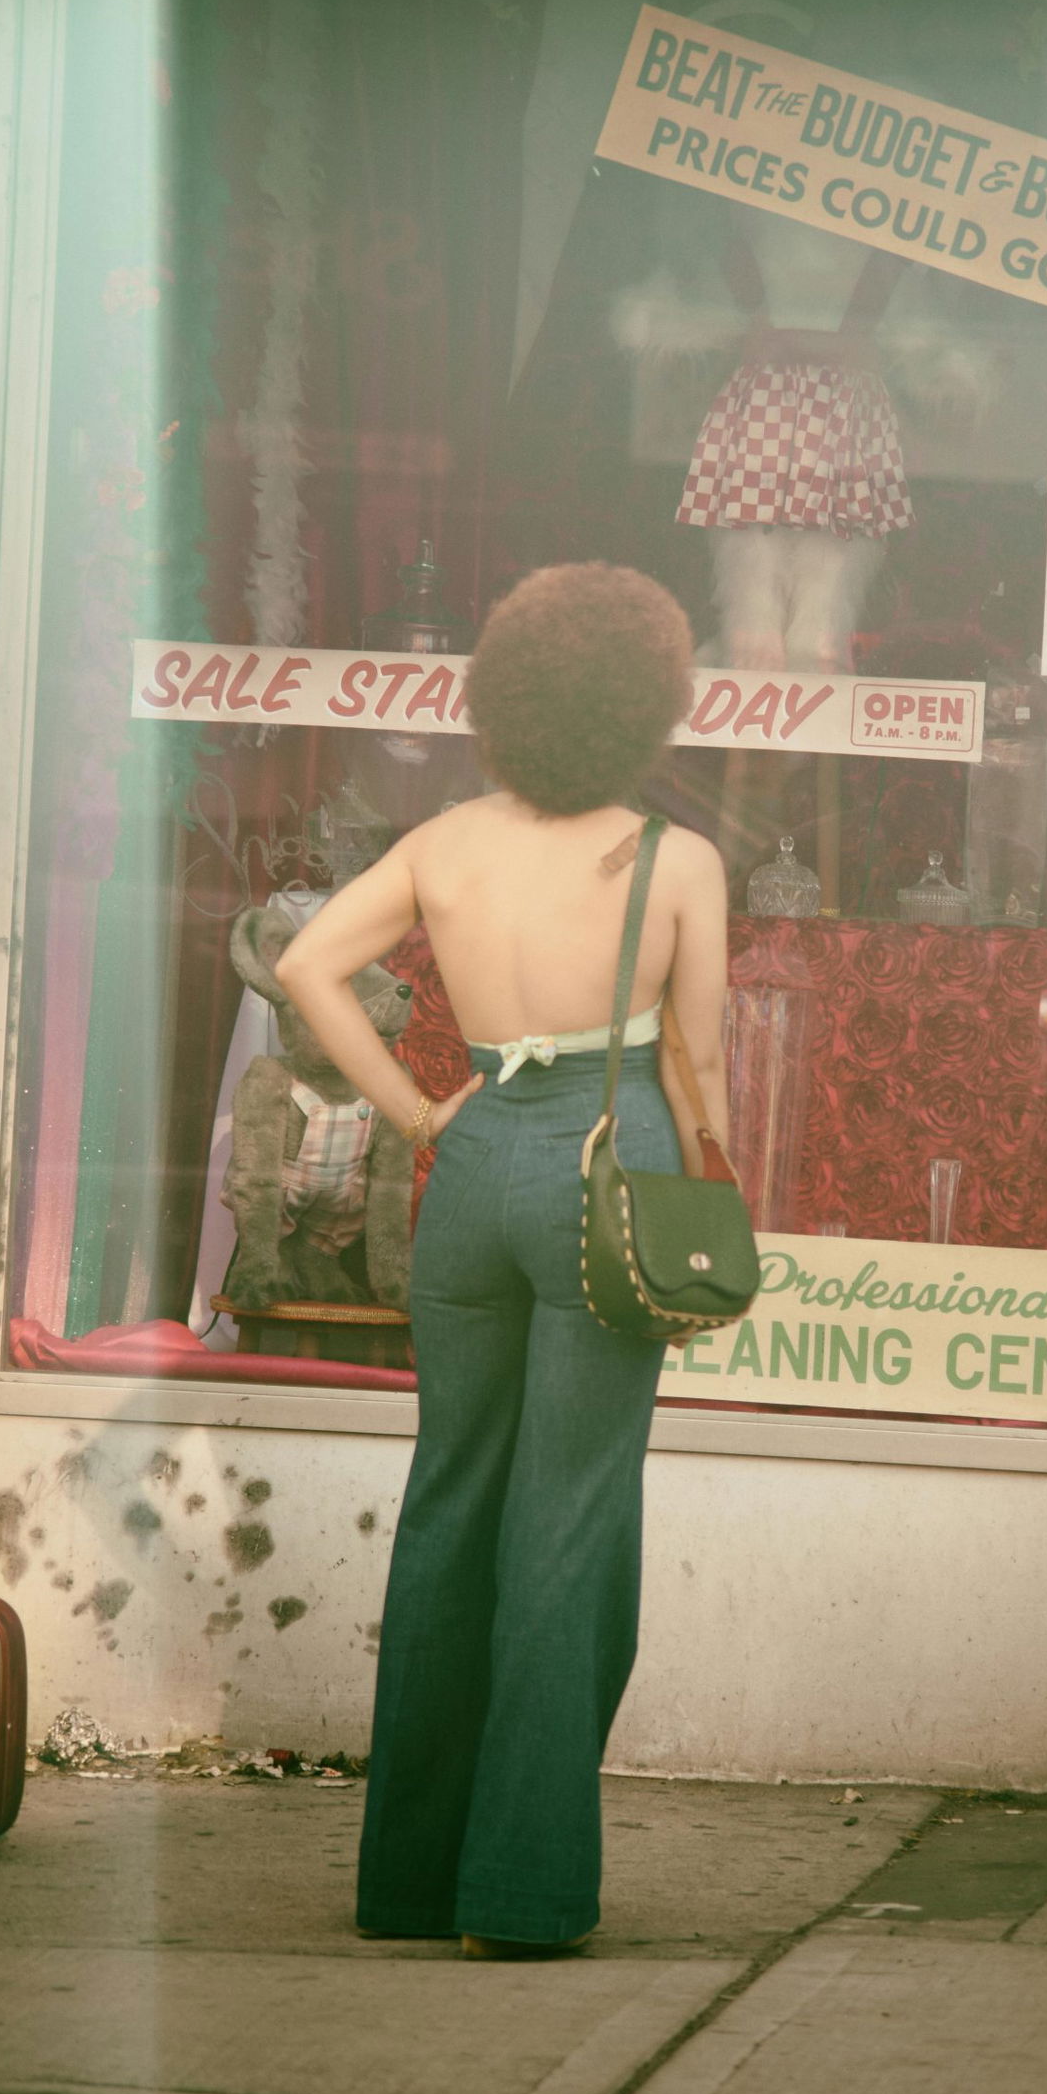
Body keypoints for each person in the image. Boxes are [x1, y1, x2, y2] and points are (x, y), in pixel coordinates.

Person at [275, 563, 730, 1958]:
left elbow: (304, 968)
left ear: (504, 699)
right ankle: (521, 1895)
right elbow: (699, 1067)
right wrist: (707, 1208)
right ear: (645, 707)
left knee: (451, 1501)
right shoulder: (677, 862)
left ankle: (410, 1885)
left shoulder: (444, 843)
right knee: (569, 1518)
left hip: (472, 1169)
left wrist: (418, 1114)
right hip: (611, 1163)